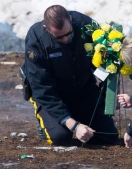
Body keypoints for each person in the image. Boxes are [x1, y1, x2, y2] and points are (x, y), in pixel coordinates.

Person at [20, 5, 118, 146]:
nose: (65, 39)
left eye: (68, 34)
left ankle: (78, 114)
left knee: (107, 136)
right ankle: (46, 122)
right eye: (59, 37)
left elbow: (107, 62)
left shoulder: (87, 27)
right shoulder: (36, 40)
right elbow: (41, 88)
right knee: (61, 138)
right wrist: (73, 125)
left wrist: (106, 99)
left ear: (71, 20)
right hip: (53, 93)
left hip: (82, 87)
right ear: (47, 29)